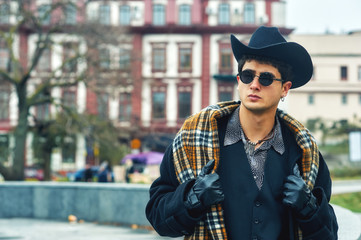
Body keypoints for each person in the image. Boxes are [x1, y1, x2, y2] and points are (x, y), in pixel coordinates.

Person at [145, 26, 338, 239]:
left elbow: (329, 233)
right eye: (247, 76)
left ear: (285, 88)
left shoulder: (304, 150)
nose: (254, 85)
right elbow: (158, 217)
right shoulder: (193, 139)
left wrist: (309, 207)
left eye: (265, 79)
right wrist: (192, 198)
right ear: (239, 81)